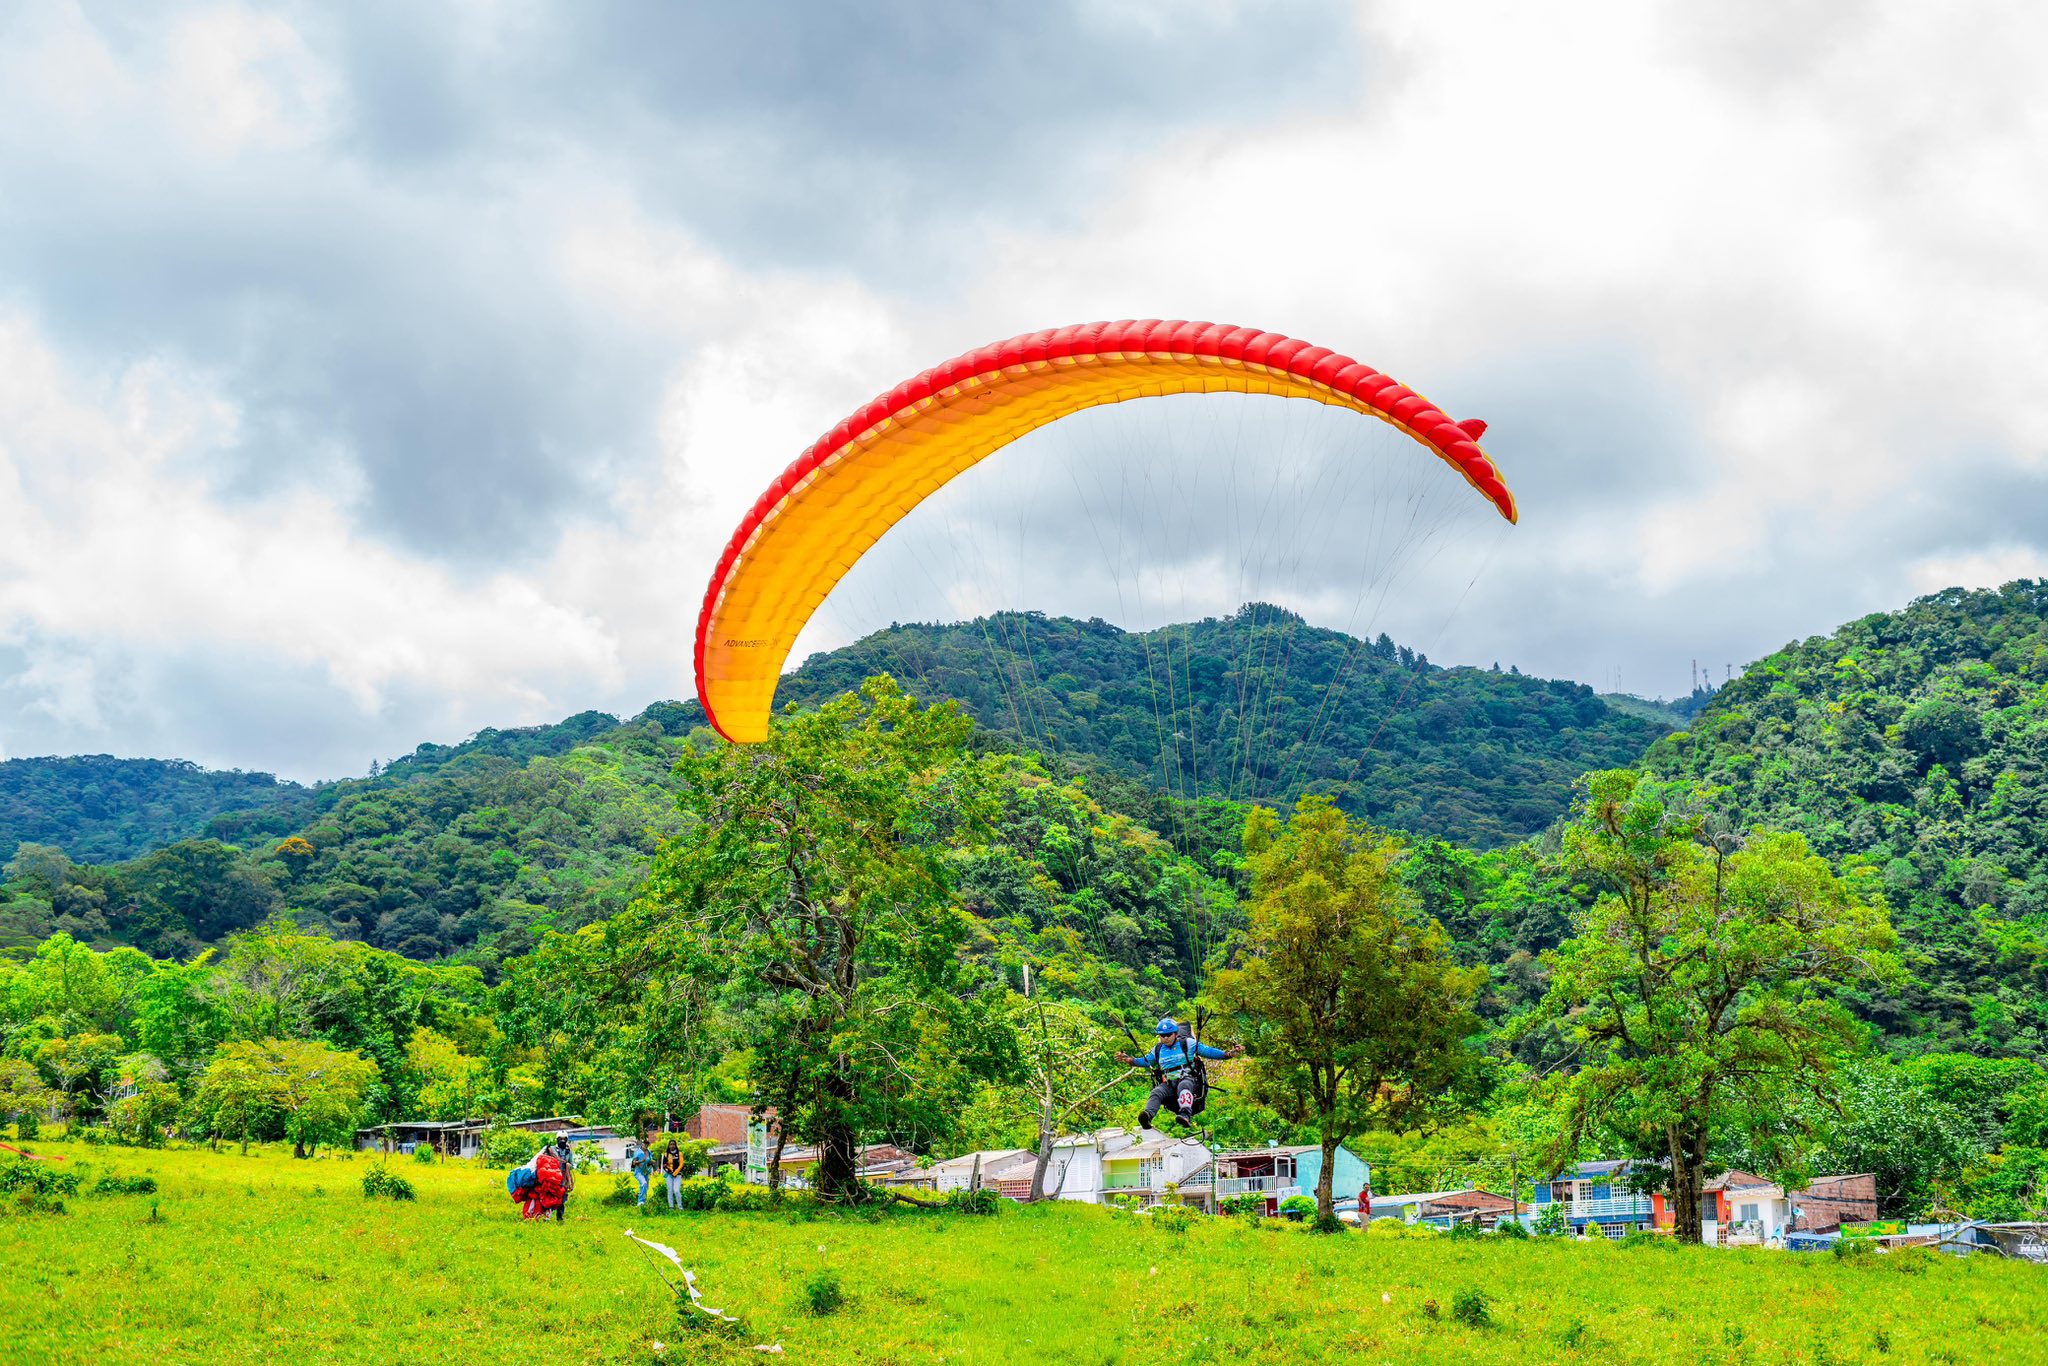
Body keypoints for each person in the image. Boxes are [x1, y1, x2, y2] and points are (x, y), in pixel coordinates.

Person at [1116, 1017, 1241, 1131]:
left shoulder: (1187, 1044)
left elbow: (1208, 1051)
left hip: (1189, 1080)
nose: (1166, 1038)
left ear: (1175, 1033)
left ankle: (1185, 1114)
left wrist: (1229, 1054)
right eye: (1162, 1035)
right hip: (1169, 1083)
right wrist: (1129, 1060)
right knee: (1156, 1092)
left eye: (1169, 1035)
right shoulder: (1158, 1049)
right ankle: (1147, 1116)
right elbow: (1146, 1061)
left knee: (1184, 1085)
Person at [628, 1134, 656, 1207]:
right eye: (645, 1144)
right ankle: (640, 1202)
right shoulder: (638, 1152)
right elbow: (634, 1163)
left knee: (646, 1186)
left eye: (647, 1145)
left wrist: (652, 1163)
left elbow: (649, 1161)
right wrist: (641, 1161)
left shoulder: (649, 1152)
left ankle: (644, 1202)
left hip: (646, 1171)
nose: (646, 1146)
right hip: (639, 1172)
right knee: (643, 1184)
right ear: (642, 1144)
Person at [661, 1137, 686, 1208]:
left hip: (678, 1175)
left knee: (676, 1190)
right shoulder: (666, 1154)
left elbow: (681, 1164)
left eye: (673, 1144)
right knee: (670, 1190)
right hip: (669, 1175)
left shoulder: (679, 1154)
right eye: (670, 1144)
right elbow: (664, 1165)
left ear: (675, 1145)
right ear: (669, 1146)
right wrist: (669, 1171)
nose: (672, 1146)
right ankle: (671, 1207)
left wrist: (675, 1172)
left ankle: (680, 1207)